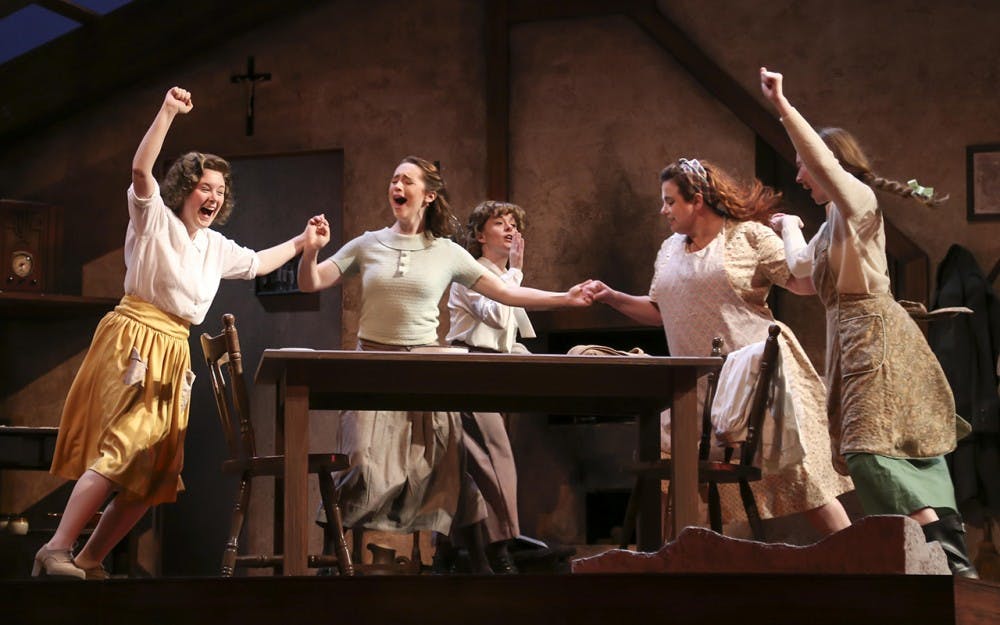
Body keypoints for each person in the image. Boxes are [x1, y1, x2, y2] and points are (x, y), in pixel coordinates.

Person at [34, 87, 322, 579]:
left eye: (221, 192)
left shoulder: (213, 245)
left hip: (174, 350)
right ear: (186, 187)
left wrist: (302, 241)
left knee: (156, 475)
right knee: (124, 448)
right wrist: (168, 112)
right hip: (135, 341)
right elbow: (141, 171)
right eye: (206, 186)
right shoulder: (154, 219)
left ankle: (88, 562)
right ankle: (55, 548)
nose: (214, 197)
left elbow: (256, 264)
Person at [298, 156, 591, 573]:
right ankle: (332, 559)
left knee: (445, 466)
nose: (396, 185)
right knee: (362, 460)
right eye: (393, 178)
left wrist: (566, 298)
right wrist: (310, 253)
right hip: (372, 367)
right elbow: (311, 282)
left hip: (425, 368)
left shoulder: (447, 252)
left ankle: (482, 567)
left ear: (428, 195)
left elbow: (504, 295)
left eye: (406, 180)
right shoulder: (367, 244)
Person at [760, 67, 976, 577]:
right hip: (856, 338)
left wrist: (783, 108)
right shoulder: (833, 222)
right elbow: (799, 276)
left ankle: (942, 551)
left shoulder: (856, 201)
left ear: (828, 165)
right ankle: (944, 553)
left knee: (869, 449)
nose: (798, 177)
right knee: (893, 443)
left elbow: (821, 162)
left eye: (802, 168)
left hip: (873, 335)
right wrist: (790, 227)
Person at [585, 157, 854, 539]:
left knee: (803, 481)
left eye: (670, 201)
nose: (663, 210)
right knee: (667, 478)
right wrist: (611, 297)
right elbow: (660, 311)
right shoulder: (669, 250)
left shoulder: (748, 237)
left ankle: (863, 566)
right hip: (692, 385)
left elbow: (799, 281)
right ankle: (668, 573)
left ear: (696, 200)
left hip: (751, 382)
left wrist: (813, 246)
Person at [442, 200, 535, 573]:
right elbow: (497, 314)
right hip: (466, 369)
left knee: (463, 467)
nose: (511, 230)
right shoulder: (471, 274)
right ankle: (501, 546)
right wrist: (518, 272)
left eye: (514, 223)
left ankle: (453, 551)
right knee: (494, 455)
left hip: (486, 371)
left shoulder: (499, 276)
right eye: (501, 224)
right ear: (480, 235)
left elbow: (513, 332)